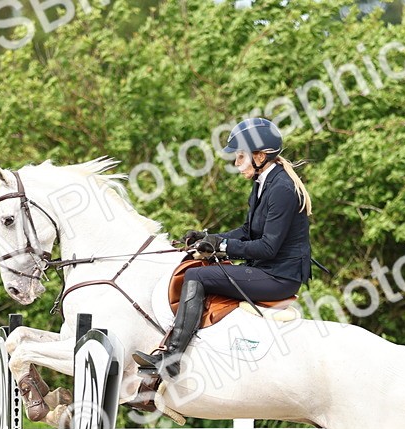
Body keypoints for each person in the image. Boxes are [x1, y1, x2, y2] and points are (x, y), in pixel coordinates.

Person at [133, 117, 313, 379]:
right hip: (267, 270)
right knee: (198, 266)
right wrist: (208, 239)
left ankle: (172, 357)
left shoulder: (282, 189)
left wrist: (223, 246)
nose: (236, 163)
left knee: (196, 276)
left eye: (241, 157)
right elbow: (247, 231)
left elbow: (267, 248)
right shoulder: (264, 183)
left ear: (260, 156)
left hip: (280, 278)